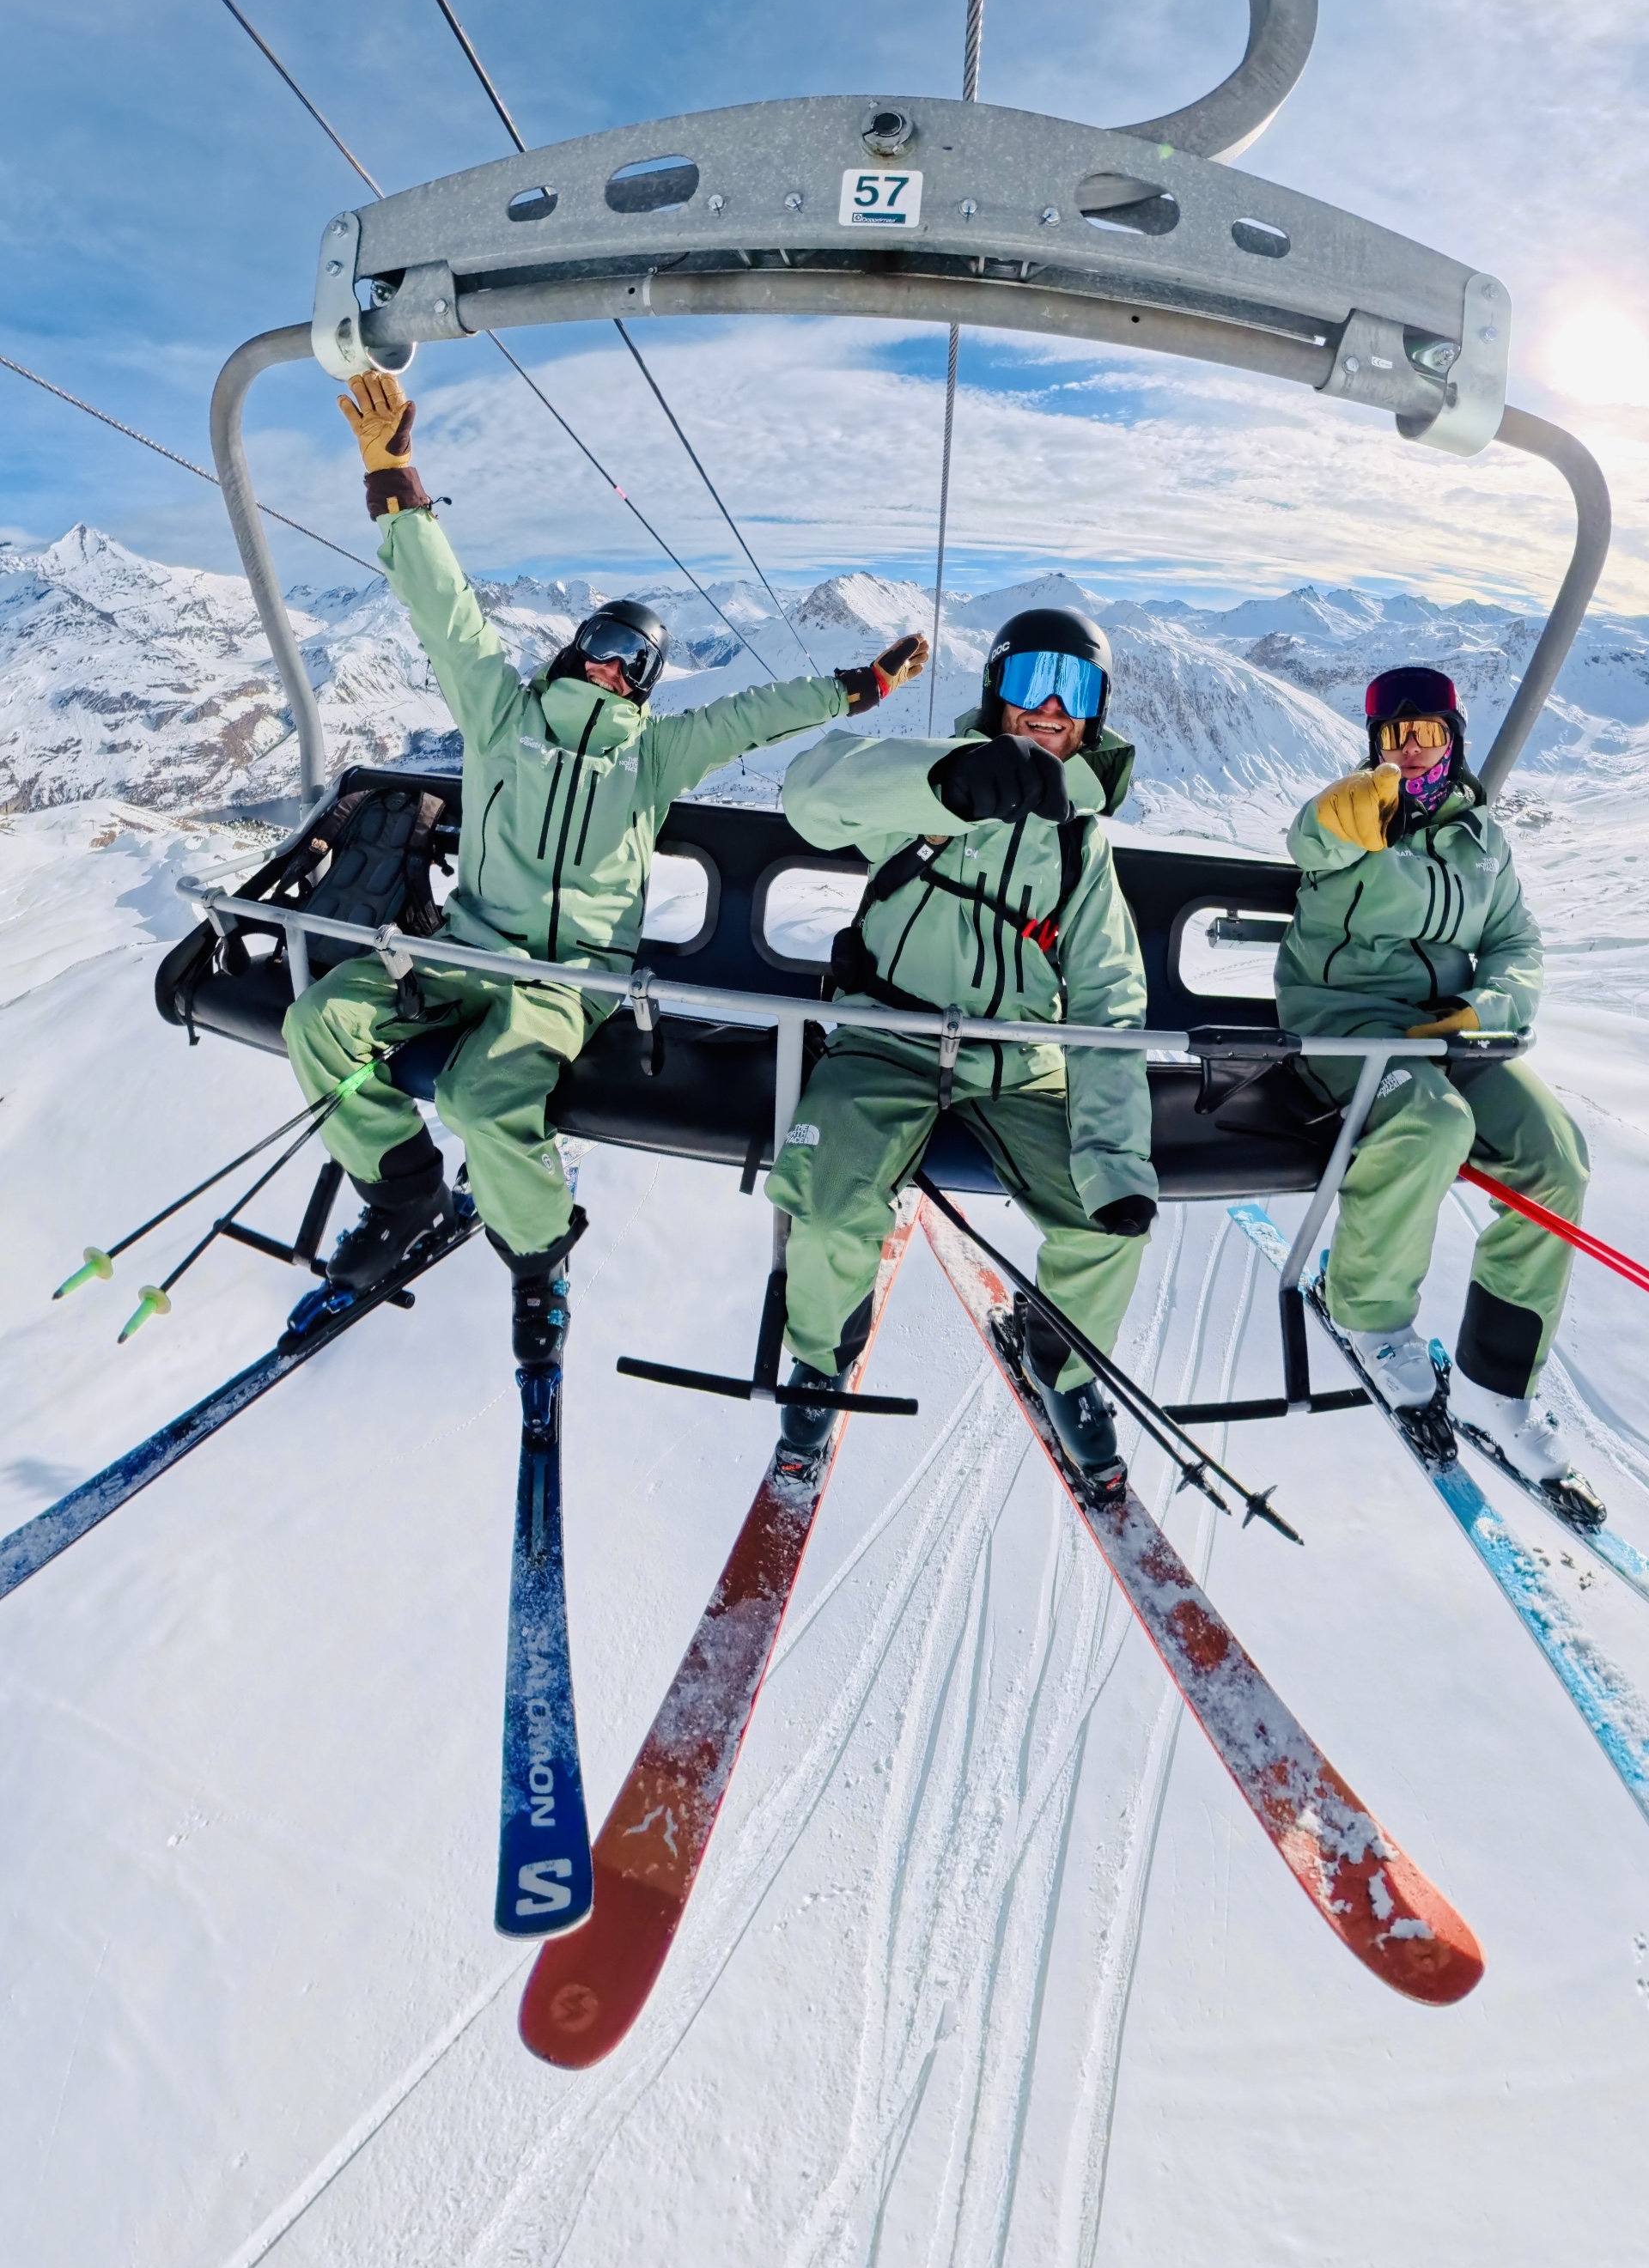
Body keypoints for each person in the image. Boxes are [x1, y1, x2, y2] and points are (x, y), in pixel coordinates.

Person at [282, 368, 926, 1371]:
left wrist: (859, 686)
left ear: (648, 683)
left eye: (636, 658)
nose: (612, 664)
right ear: (575, 647)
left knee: (484, 1099)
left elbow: (749, 716)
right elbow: (445, 612)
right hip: (463, 951)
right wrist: (395, 482)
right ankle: (402, 1191)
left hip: (566, 984)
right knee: (319, 1024)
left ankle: (539, 1261)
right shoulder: (502, 713)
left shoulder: (653, 755)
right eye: (603, 642)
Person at [767, 602, 1158, 1495]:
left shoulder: (1080, 845)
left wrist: (1114, 1158)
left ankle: (1059, 1361)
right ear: (994, 691)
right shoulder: (926, 785)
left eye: (1075, 689)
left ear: (1095, 713)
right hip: (886, 1042)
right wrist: (944, 786)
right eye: (1030, 680)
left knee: (1108, 1222)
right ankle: (823, 1357)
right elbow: (809, 796)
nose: (1050, 706)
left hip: (1018, 1064)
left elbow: (1109, 1000)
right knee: (826, 1208)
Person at [1275, 662, 1599, 1511]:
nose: (1412, 749)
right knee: (1429, 1121)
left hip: (1449, 1030)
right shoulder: (1358, 810)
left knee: (1555, 1156)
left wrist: (1482, 1009)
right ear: (1374, 743)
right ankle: (1367, 1311)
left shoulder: (1482, 840)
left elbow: (1517, 945)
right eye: (1395, 734)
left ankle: (1498, 1384)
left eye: (1428, 733)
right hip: (1344, 1023)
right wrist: (1343, 814)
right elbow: (1309, 841)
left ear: (1454, 740)